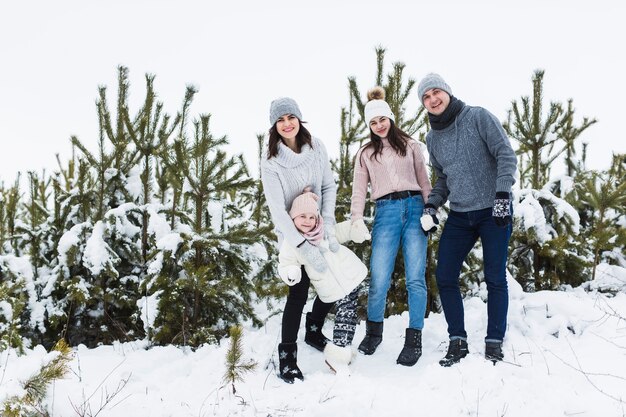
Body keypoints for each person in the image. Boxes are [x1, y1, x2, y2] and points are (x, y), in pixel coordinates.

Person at [416, 73, 518, 366]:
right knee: (445, 276)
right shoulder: (432, 138)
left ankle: (494, 341)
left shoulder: (478, 117)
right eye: (426, 97)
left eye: (436, 92)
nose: (433, 99)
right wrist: (432, 205)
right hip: (460, 214)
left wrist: (501, 196)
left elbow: (505, 156)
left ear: (447, 92)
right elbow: (443, 178)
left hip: (492, 210)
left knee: (495, 276)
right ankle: (457, 340)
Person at [350, 86, 432, 367]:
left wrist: (430, 210)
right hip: (385, 212)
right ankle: (374, 333)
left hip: (414, 210)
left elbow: (424, 181)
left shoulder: (411, 145)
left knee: (415, 278)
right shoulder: (365, 153)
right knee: (379, 278)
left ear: (390, 118)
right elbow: (359, 190)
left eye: (382, 120)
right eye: (373, 123)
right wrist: (356, 218)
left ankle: (414, 338)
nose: (379, 126)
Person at [261, 97, 339, 383]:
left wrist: (327, 223)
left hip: (318, 229)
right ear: (274, 125)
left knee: (331, 284)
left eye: (290, 117)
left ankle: (314, 329)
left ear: (299, 118)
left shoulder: (317, 147)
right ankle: (287, 356)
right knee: (298, 293)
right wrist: (301, 244)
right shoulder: (271, 161)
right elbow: (277, 210)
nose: (286, 123)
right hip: (292, 238)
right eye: (280, 119)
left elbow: (329, 186)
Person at [278, 189, 367, 375]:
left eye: (311, 216)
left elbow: (343, 230)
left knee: (345, 310)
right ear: (292, 217)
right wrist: (291, 271)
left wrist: (355, 230)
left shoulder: (323, 229)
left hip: (347, 275)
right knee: (341, 313)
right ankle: (294, 357)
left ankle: (324, 339)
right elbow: (286, 262)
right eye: (302, 216)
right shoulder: (292, 241)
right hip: (327, 282)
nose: (308, 221)